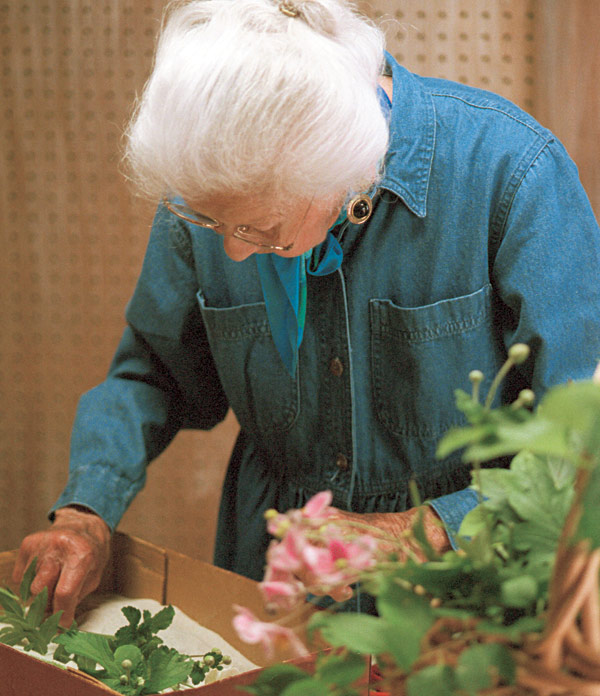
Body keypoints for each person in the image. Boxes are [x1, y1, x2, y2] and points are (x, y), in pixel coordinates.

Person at [13, 0, 600, 625]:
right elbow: (154, 376)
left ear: (338, 168)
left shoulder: (511, 172)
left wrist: (423, 530)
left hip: (467, 602)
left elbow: (583, 443)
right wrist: (86, 514)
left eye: (259, 227)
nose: (232, 249)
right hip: (274, 591)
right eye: (213, 223)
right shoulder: (215, 192)